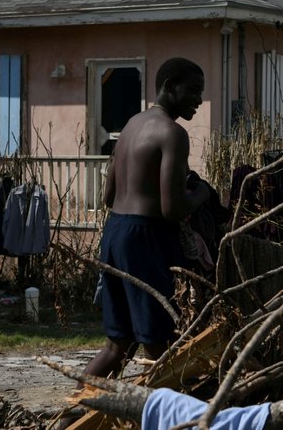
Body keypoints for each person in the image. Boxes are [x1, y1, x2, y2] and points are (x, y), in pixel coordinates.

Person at [84, 57, 211, 378]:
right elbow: (173, 209)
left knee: (119, 344)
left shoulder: (131, 125)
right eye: (193, 90)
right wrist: (203, 193)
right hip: (145, 239)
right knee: (161, 345)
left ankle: (70, 420)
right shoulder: (172, 133)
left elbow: (107, 197)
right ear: (169, 87)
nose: (198, 99)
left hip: (115, 232)